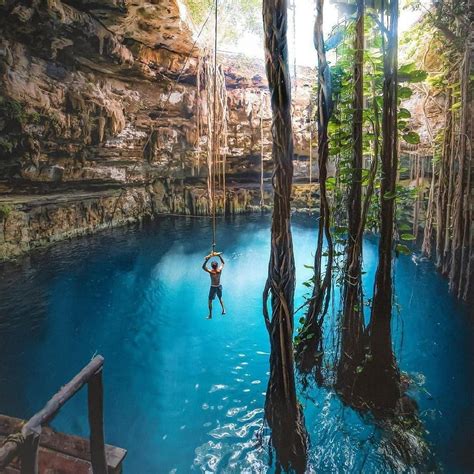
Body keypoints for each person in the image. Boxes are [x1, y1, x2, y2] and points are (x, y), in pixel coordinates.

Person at [202, 251, 226, 319]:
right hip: (219, 286)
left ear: (212, 267)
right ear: (217, 266)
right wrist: (219, 256)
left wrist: (208, 259)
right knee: (220, 297)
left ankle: (210, 315)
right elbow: (223, 263)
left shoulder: (211, 272)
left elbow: (203, 267)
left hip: (213, 287)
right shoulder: (219, 270)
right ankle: (224, 309)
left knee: (210, 300)